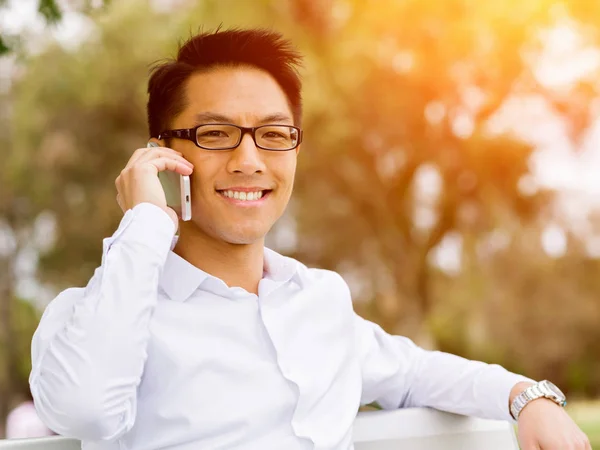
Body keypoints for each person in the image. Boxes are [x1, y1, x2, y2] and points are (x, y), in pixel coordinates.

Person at [29, 28, 590, 450]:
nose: (249, 161)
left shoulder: (318, 300)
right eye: (216, 134)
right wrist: (146, 224)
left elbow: (417, 372)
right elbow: (85, 410)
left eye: (274, 135)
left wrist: (527, 397)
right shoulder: (98, 316)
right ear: (165, 155)